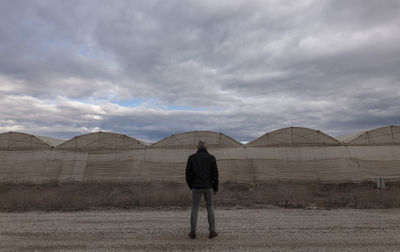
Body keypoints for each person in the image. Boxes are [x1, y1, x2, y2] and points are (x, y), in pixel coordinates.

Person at [186, 141, 219, 239]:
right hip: (209, 186)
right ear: (206, 147)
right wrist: (215, 187)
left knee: (195, 208)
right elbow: (215, 175)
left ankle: (193, 232)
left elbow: (188, 174)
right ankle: (212, 231)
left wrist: (191, 186)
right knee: (210, 208)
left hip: (196, 187)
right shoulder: (212, 158)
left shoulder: (191, 158)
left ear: (197, 147)